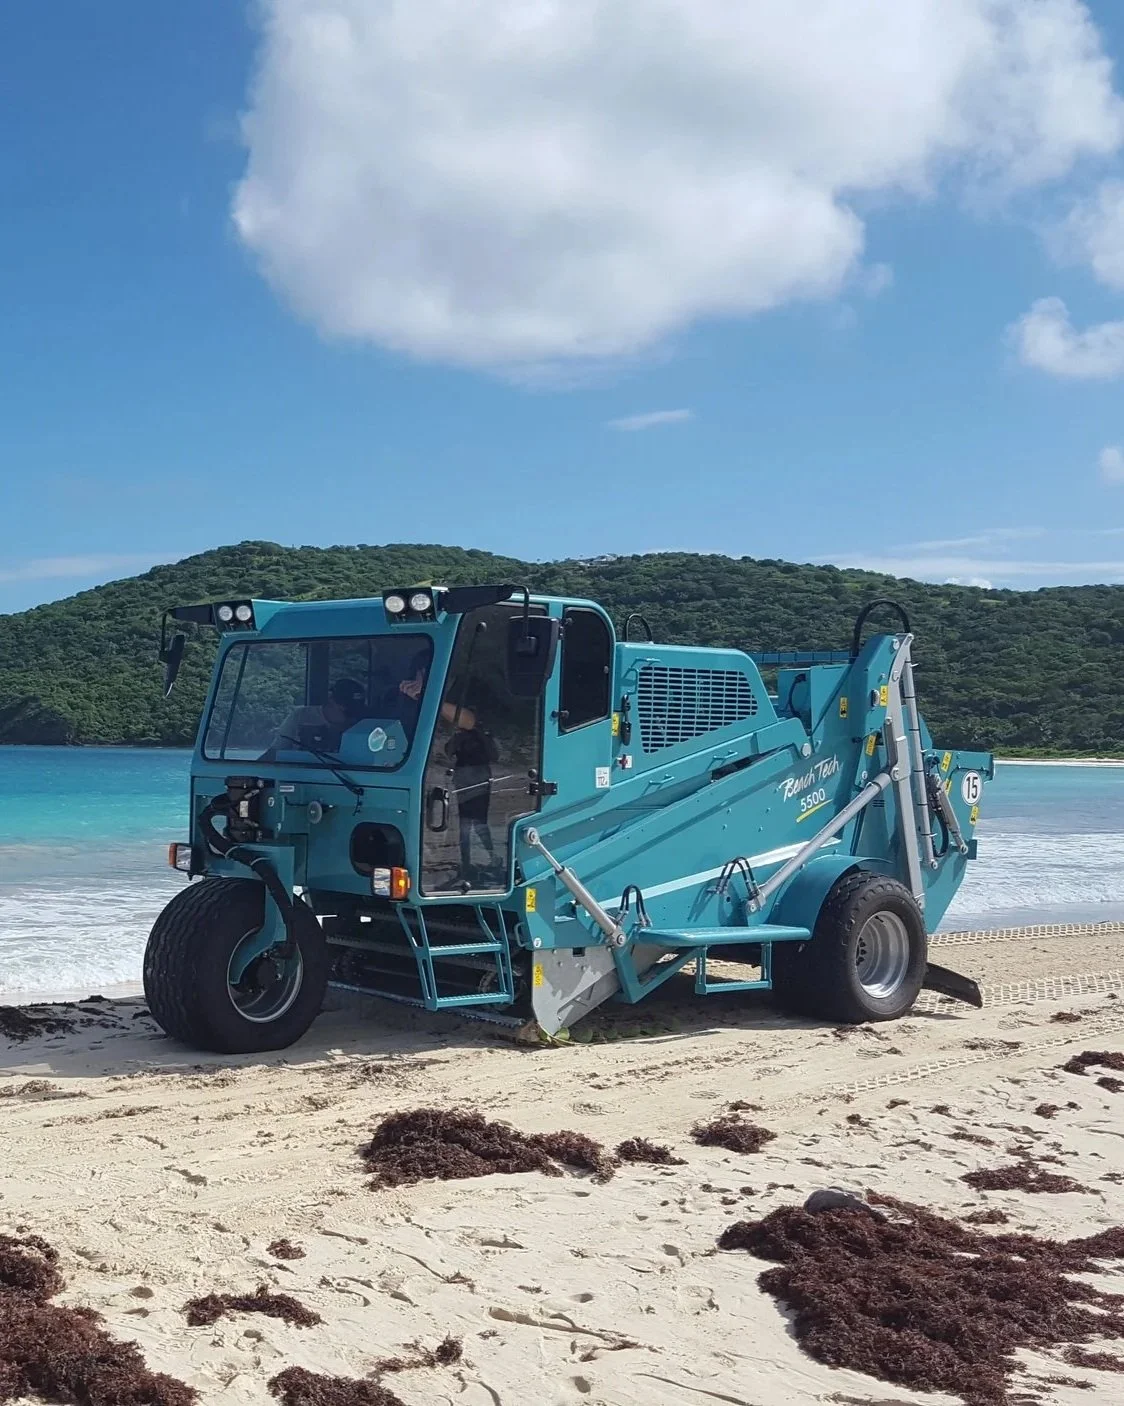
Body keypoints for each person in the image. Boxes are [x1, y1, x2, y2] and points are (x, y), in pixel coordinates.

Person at [267, 676, 367, 755]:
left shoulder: (365, 723)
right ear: (331, 700)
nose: (352, 717)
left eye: (355, 711)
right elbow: (275, 752)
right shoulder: (301, 716)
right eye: (346, 710)